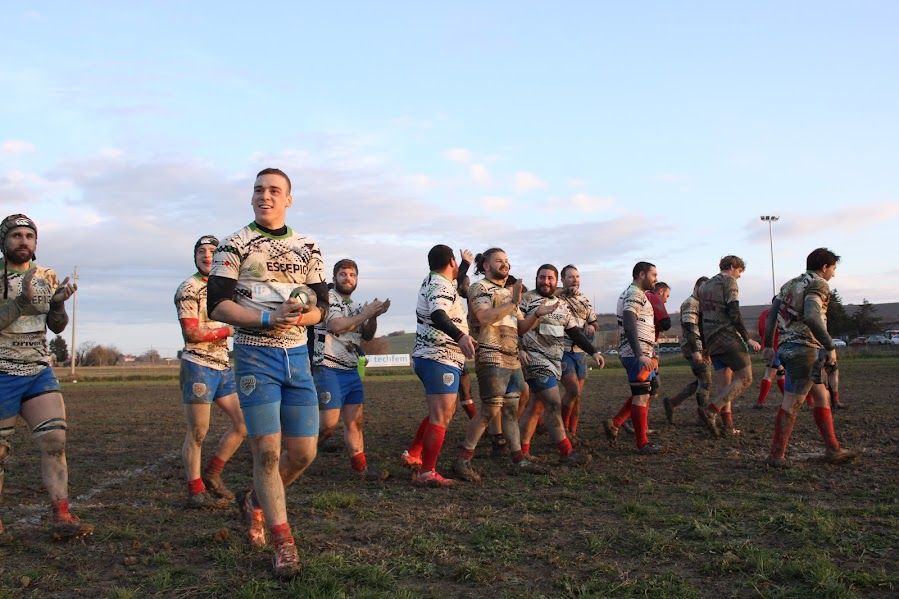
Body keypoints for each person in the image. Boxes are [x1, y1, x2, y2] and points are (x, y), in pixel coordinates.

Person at [208, 168, 328, 578]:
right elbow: (218, 305)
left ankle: (255, 502)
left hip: (297, 359)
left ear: (289, 199)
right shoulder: (234, 244)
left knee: (304, 454)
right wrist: (265, 317)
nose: (265, 196)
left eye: (275, 190)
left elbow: (321, 309)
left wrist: (299, 315)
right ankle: (283, 543)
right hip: (255, 356)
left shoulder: (308, 246)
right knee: (268, 452)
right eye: (259, 189)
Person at [0, 214, 93, 539]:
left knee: (55, 441)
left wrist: (57, 305)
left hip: (38, 371)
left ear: (36, 243)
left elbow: (57, 327)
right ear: (4, 241)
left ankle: (61, 514)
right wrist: (21, 302)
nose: (23, 241)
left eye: (29, 236)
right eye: (16, 235)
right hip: (2, 373)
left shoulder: (47, 276)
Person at [452, 248, 546, 481]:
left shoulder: (508, 293)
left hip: (511, 356)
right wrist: (513, 301)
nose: (505, 264)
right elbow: (484, 317)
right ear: (486, 266)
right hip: (491, 355)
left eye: (507, 261)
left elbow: (521, 328)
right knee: (490, 409)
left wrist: (537, 314)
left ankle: (517, 458)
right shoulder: (479, 288)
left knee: (511, 410)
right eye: (499, 261)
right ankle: (463, 460)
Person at [763, 248, 858, 468]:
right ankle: (776, 455)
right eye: (833, 269)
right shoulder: (819, 284)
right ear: (825, 267)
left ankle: (833, 448)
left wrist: (769, 344)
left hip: (787, 347)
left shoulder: (788, 285)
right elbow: (813, 316)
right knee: (792, 401)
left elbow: (771, 316)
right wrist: (829, 345)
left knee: (821, 395)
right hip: (804, 348)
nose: (833, 274)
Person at [174, 235, 247, 509]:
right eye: (201, 251)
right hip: (198, 366)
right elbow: (191, 333)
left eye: (212, 252)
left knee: (243, 424)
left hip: (222, 365)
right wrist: (228, 330)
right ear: (195, 257)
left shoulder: (225, 288)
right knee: (198, 432)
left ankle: (213, 474)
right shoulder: (189, 288)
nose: (207, 255)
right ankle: (195, 492)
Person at [405, 245, 476, 487]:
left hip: (440, 357)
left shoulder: (438, 281)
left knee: (442, 412)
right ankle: (427, 472)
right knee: (441, 414)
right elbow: (438, 314)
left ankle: (414, 453)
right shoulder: (439, 285)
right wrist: (461, 336)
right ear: (451, 262)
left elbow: (455, 281)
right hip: (438, 356)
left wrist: (465, 265)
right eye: (457, 264)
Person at [312, 258, 390, 481]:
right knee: (327, 425)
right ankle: (296, 454)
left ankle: (361, 469)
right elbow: (336, 326)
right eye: (343, 274)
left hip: (350, 368)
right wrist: (366, 313)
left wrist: (372, 316)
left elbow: (366, 335)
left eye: (352, 275)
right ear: (334, 277)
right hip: (327, 366)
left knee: (355, 421)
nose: (348, 278)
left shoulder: (356, 306)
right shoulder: (329, 298)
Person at [518, 264, 603, 465]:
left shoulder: (561, 305)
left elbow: (575, 333)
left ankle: (521, 451)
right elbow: (515, 327)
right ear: (536, 278)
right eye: (542, 277)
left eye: (550, 278)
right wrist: (518, 348)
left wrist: (593, 351)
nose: (545, 281)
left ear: (555, 281)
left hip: (554, 362)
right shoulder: (526, 300)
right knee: (554, 403)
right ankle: (566, 452)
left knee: (535, 408)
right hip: (535, 360)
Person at [697, 256, 761, 437]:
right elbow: (734, 310)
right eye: (740, 271)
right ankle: (711, 410)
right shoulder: (729, 281)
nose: (739, 276)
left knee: (725, 384)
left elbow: (701, 318)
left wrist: (705, 345)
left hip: (711, 339)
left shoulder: (705, 286)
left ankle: (728, 426)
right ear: (732, 267)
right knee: (746, 378)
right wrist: (747, 338)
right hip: (727, 337)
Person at [603, 262, 661, 454]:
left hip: (643, 353)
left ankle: (615, 423)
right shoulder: (635, 293)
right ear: (642, 274)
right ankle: (642, 443)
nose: (656, 279)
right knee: (641, 396)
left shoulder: (635, 293)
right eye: (653, 275)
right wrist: (640, 354)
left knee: (646, 392)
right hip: (636, 355)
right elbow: (629, 321)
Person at [663, 277, 711, 425]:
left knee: (700, 380)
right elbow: (690, 328)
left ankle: (672, 403)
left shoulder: (698, 303)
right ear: (696, 287)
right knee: (705, 381)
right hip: (693, 347)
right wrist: (696, 350)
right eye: (702, 289)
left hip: (699, 347)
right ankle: (703, 416)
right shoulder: (690, 303)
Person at [557, 265, 599, 439]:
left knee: (578, 396)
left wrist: (591, 326)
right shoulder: (557, 298)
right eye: (570, 277)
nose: (575, 280)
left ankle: (572, 431)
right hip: (563, 350)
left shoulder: (585, 300)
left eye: (577, 277)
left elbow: (595, 322)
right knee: (573, 390)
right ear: (563, 279)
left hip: (581, 352)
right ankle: (563, 429)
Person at [753, 299, 785, 408]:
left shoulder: (763, 314)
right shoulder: (781, 315)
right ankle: (760, 402)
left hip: (768, 347)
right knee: (769, 374)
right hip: (777, 347)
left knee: (780, 373)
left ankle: (786, 400)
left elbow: (761, 331)